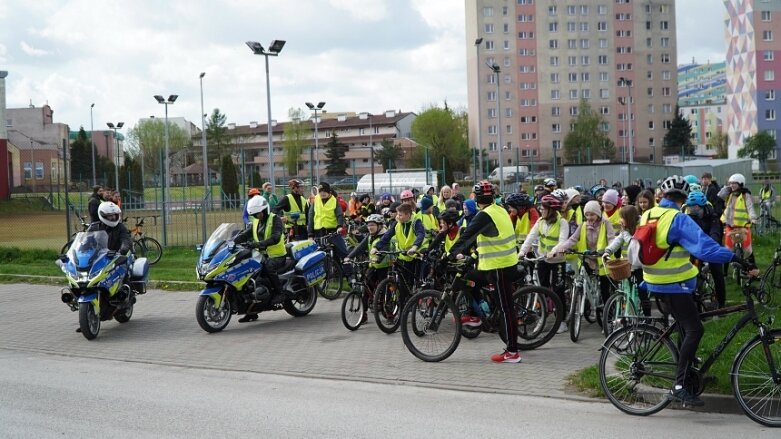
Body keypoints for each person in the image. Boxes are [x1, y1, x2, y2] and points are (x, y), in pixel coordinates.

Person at [638, 175, 754, 407]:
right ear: (682, 199)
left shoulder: (649, 213)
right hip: (671, 284)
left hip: (654, 280)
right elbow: (705, 248)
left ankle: (689, 375)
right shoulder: (677, 219)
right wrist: (734, 258)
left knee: (685, 327)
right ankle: (679, 386)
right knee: (695, 329)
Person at [448, 180, 521, 363]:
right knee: (469, 278)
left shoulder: (485, 215)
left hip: (500, 267)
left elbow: (467, 236)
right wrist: (472, 256)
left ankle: (512, 352)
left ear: (476, 197)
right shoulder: (499, 209)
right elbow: (490, 237)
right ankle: (475, 316)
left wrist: (451, 254)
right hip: (495, 264)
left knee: (507, 309)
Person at [549, 200, 615, 307]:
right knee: (582, 280)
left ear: (598, 214)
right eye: (587, 215)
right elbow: (572, 239)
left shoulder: (605, 223)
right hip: (587, 259)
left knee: (604, 288)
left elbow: (612, 239)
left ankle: (608, 309)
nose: (589, 217)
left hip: (602, 259)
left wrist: (608, 250)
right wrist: (559, 249)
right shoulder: (583, 225)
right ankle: (587, 303)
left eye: (592, 214)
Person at [519, 194, 570, 333]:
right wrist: (521, 253)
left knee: (558, 290)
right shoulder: (540, 221)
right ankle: (542, 318)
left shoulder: (562, 222)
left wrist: (554, 251)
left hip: (557, 260)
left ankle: (562, 320)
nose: (541, 209)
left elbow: (562, 240)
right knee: (542, 289)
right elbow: (530, 237)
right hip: (543, 259)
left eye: (543, 208)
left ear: (551, 210)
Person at [234, 196, 288, 321]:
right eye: (254, 214)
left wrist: (257, 244)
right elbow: (246, 234)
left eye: (258, 214)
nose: (257, 216)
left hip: (277, 256)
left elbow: (275, 237)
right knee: (248, 277)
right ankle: (251, 312)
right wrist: (231, 241)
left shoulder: (275, 220)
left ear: (264, 210)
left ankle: (280, 293)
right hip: (261, 256)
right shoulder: (256, 222)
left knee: (269, 267)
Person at [372, 203, 425, 305]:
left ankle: (416, 298)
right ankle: (403, 304)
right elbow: (387, 235)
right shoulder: (397, 223)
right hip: (402, 255)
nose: (397, 216)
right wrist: (376, 247)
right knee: (402, 284)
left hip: (415, 255)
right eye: (397, 214)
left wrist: (415, 247)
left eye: (400, 215)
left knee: (414, 281)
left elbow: (420, 234)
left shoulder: (416, 222)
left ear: (408, 215)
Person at [603, 205, 651, 317]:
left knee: (642, 292)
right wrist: (608, 251)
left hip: (640, 265)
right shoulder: (625, 229)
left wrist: (624, 233)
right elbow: (618, 240)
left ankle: (648, 317)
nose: (620, 220)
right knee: (626, 289)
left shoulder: (641, 227)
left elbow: (632, 242)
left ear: (629, 218)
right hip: (627, 264)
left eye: (622, 218)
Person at [685, 191, 727, 309]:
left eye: (695, 207)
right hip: (696, 248)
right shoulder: (689, 217)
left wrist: (712, 243)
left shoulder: (713, 216)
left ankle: (722, 302)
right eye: (690, 207)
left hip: (711, 246)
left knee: (717, 273)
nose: (692, 210)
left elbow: (715, 232)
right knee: (691, 272)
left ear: (701, 206)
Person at [344, 214, 391, 292]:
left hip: (384, 267)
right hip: (373, 265)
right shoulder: (370, 236)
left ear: (379, 226)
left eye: (372, 225)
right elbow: (360, 247)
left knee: (384, 289)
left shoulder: (385, 236)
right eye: (368, 225)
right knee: (367, 286)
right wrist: (349, 257)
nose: (369, 228)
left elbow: (385, 248)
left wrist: (379, 258)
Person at [307, 182, 350, 261]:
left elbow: (339, 214)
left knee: (343, 253)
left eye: (324, 191)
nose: (322, 193)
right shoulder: (316, 200)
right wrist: (310, 234)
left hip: (333, 232)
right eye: (320, 191)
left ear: (329, 192)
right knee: (318, 257)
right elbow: (311, 217)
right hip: (319, 233)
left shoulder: (334, 200)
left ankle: (349, 272)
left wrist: (339, 226)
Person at [718, 173, 757, 259]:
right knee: (728, 249)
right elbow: (720, 195)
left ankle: (751, 268)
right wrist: (727, 187)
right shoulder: (730, 194)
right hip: (730, 225)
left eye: (734, 183)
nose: (732, 185)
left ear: (741, 184)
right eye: (730, 183)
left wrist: (753, 218)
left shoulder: (745, 195)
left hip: (743, 226)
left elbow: (750, 207)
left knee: (747, 249)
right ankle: (725, 271)